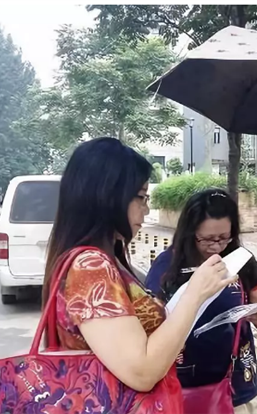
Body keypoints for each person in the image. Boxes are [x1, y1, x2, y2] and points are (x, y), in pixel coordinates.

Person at [43, 137, 237, 410]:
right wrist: (195, 294)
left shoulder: (106, 259)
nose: (146, 210)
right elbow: (142, 372)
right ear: (109, 195)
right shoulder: (90, 268)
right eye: (142, 197)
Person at [145, 189, 257, 414]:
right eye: (207, 239)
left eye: (224, 237)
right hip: (178, 390)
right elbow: (149, 325)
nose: (217, 246)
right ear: (190, 232)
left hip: (236, 390)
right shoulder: (167, 266)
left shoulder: (241, 260)